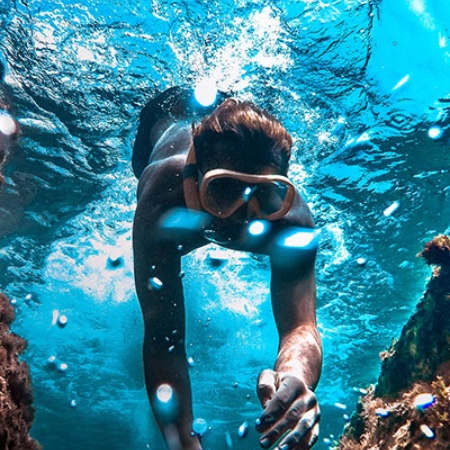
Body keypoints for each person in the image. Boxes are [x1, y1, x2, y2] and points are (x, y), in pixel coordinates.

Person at [132, 86, 322, 450]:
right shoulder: (160, 198)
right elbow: (161, 339)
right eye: (223, 192)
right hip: (164, 115)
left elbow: (301, 326)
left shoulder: (292, 221)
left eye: (263, 196)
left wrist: (296, 375)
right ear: (193, 176)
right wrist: (184, 444)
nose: (243, 221)